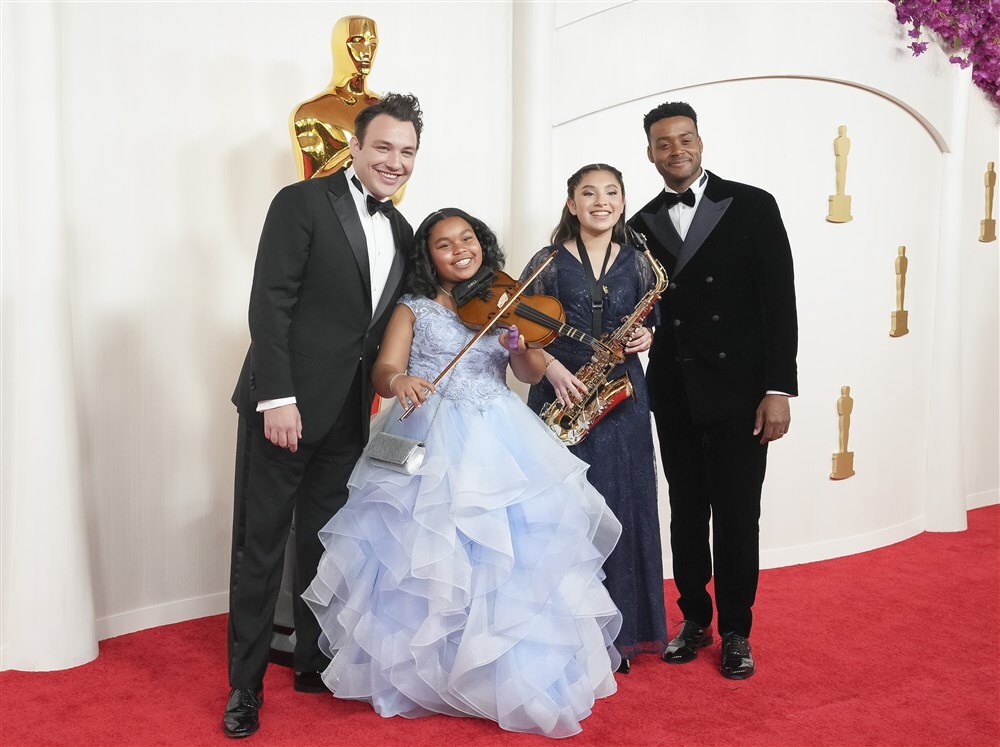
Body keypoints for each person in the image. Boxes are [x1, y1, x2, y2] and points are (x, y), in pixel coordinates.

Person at [303, 208, 623, 738]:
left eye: (467, 238)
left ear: (482, 243)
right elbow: (384, 370)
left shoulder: (506, 302)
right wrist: (401, 380)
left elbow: (526, 373)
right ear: (428, 257)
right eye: (444, 244)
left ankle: (498, 670)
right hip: (426, 429)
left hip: (496, 429)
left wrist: (521, 349)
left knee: (505, 548)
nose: (459, 250)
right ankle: (424, 672)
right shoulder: (414, 308)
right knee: (423, 550)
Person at [224, 93, 424, 739]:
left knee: (323, 543)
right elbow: (270, 303)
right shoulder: (301, 202)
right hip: (285, 406)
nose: (395, 161)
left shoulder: (401, 230)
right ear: (357, 147)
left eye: (408, 151)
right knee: (261, 546)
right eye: (384, 147)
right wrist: (276, 396)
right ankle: (245, 688)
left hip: (347, 415)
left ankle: (312, 661)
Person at [626, 101, 798, 680]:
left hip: (743, 393)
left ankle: (736, 632)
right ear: (650, 153)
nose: (677, 151)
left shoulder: (751, 204)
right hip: (673, 392)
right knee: (686, 512)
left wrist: (779, 388)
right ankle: (693, 618)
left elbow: (780, 302)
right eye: (664, 143)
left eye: (685, 139)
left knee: (737, 513)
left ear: (701, 142)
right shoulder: (639, 222)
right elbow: (643, 306)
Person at [519, 164, 667, 673]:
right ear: (571, 204)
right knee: (564, 511)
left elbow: (653, 320)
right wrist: (554, 369)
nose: (600, 201)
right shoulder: (548, 260)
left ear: (623, 202)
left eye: (611, 192)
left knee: (624, 504)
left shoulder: (642, 262)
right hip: (563, 390)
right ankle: (566, 630)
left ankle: (620, 636)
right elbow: (519, 326)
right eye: (588, 193)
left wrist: (650, 337)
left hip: (624, 397)